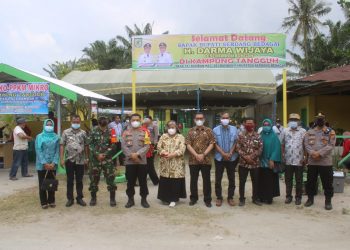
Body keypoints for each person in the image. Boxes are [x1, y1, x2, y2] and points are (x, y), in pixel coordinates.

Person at [304, 113, 336, 210]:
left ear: (324, 120)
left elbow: (331, 145)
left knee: (327, 183)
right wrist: (312, 153)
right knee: (310, 182)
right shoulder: (309, 132)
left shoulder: (330, 132)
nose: (320, 120)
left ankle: (328, 201)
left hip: (325, 163)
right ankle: (310, 199)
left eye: (321, 119)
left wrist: (319, 153)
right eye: (318, 119)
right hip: (312, 162)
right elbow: (306, 144)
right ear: (316, 120)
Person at [185, 112, 215, 207]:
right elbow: (188, 144)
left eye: (201, 118)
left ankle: (207, 199)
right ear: (194, 120)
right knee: (193, 180)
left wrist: (203, 154)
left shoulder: (209, 130)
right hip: (193, 160)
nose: (199, 120)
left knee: (206, 180)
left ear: (204, 119)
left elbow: (212, 143)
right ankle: (193, 198)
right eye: (197, 118)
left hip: (206, 160)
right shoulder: (190, 131)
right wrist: (196, 155)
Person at [121, 113, 151, 208]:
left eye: (137, 120)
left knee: (143, 182)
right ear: (130, 121)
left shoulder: (145, 132)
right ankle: (130, 200)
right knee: (130, 182)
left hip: (142, 161)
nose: (135, 122)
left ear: (140, 121)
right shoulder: (125, 132)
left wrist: (137, 154)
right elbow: (123, 146)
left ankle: (144, 200)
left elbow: (147, 146)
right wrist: (131, 155)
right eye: (133, 120)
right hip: (130, 162)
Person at [88, 116, 118, 207]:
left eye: (104, 126)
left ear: (107, 124)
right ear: (99, 124)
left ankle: (112, 199)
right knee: (94, 179)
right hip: (95, 160)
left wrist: (105, 154)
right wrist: (97, 154)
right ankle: (93, 198)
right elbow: (90, 145)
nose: (103, 128)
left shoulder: (112, 131)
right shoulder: (93, 131)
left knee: (110, 179)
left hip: (107, 159)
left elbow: (114, 144)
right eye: (101, 126)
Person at [60, 115, 89, 207]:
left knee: (80, 180)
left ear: (79, 122)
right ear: (71, 122)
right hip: (69, 160)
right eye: (74, 122)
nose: (75, 123)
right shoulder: (66, 132)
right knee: (69, 180)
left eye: (77, 122)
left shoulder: (83, 133)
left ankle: (79, 198)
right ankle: (70, 199)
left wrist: (87, 158)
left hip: (80, 160)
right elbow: (62, 145)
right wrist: (61, 159)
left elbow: (87, 146)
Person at [157, 121, 187, 207]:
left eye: (173, 127)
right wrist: (164, 152)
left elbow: (182, 149)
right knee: (165, 180)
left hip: (176, 164)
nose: (171, 129)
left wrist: (172, 155)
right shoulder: (163, 136)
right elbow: (159, 147)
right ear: (167, 128)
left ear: (177, 128)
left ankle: (174, 199)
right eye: (169, 127)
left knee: (175, 181)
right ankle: (164, 198)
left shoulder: (180, 137)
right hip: (165, 163)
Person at [213, 112, 239, 207]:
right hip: (219, 158)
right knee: (218, 179)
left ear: (229, 119)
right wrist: (223, 154)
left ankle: (230, 197)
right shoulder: (215, 130)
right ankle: (219, 197)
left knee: (231, 178)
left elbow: (236, 142)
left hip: (232, 158)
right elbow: (214, 144)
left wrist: (230, 153)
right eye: (223, 118)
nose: (225, 119)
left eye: (227, 118)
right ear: (220, 119)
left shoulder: (234, 129)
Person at [236, 117, 263, 206]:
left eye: (251, 123)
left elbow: (260, 148)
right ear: (244, 124)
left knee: (255, 182)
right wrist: (246, 157)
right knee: (242, 182)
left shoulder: (258, 136)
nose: (249, 125)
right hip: (243, 163)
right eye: (247, 123)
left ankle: (255, 198)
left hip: (255, 163)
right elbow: (238, 147)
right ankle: (242, 199)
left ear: (254, 124)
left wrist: (251, 157)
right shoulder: (240, 135)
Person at [281, 113, 306, 205]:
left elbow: (305, 145)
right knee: (288, 179)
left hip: (299, 160)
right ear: (289, 121)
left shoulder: (303, 131)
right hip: (288, 160)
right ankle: (288, 196)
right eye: (291, 119)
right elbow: (282, 144)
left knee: (299, 180)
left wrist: (305, 157)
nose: (293, 121)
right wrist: (282, 155)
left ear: (299, 121)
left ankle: (298, 197)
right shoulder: (285, 130)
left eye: (295, 120)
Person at [35, 119, 60, 209]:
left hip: (53, 165)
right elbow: (38, 150)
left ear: (53, 126)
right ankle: (44, 202)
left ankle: (51, 201)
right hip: (42, 165)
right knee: (42, 183)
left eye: (50, 125)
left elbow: (57, 151)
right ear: (44, 125)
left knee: (51, 183)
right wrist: (44, 163)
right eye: (47, 124)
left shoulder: (56, 137)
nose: (49, 126)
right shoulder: (39, 136)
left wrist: (53, 163)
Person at [258, 118, 282, 204]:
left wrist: (272, 159)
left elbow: (277, 148)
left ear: (271, 126)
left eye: (268, 125)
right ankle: (261, 197)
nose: (266, 126)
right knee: (261, 179)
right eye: (264, 125)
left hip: (270, 161)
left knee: (269, 180)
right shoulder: (260, 135)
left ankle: (269, 197)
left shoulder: (274, 136)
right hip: (261, 162)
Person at [142, 115, 159, 185]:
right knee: (147, 165)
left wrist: (154, 145)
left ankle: (155, 180)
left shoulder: (145, 130)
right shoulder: (143, 129)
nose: (148, 124)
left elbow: (155, 136)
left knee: (149, 165)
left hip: (148, 148)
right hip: (145, 149)